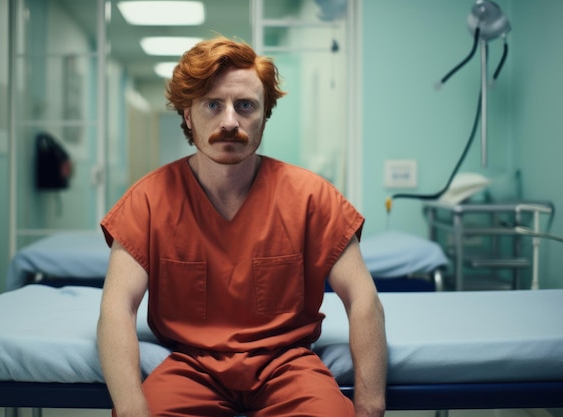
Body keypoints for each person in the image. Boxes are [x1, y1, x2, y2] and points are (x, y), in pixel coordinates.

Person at [97, 36, 387, 417]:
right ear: (188, 114)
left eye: (245, 105)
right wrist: (132, 406)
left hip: (288, 364)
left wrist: (370, 402)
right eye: (212, 105)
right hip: (192, 366)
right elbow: (117, 307)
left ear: (264, 114)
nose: (230, 121)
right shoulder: (149, 201)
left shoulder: (311, 197)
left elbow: (363, 298)